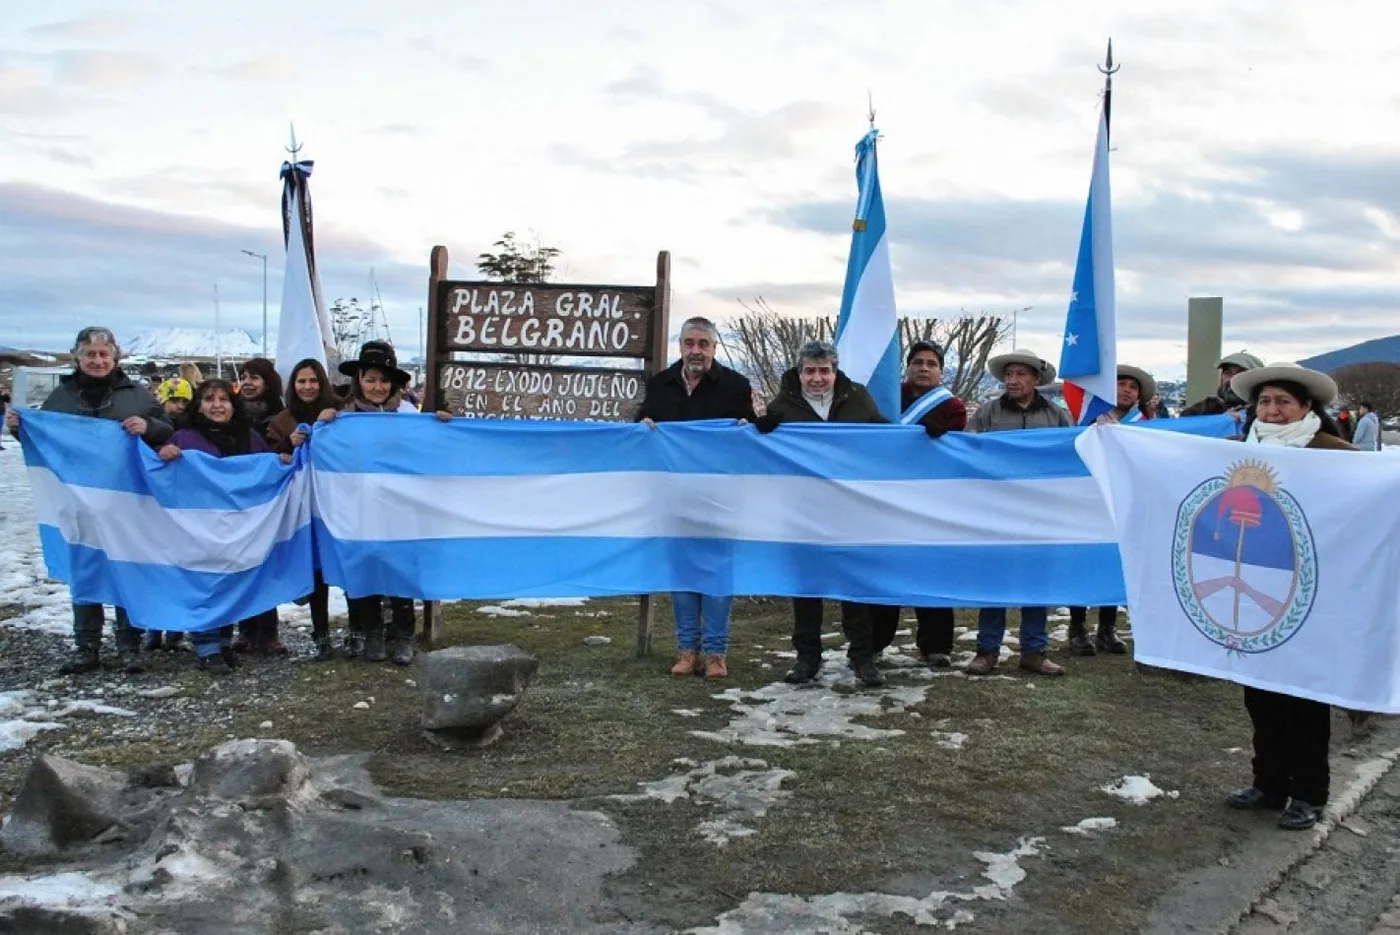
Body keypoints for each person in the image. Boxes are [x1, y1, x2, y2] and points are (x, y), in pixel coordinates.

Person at [1223, 362, 1356, 831]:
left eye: (1283, 402)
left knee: (1304, 697)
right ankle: (1269, 782)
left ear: (1305, 407)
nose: (1273, 411)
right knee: (1260, 696)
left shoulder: (1333, 452)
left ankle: (1309, 793)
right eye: (1264, 402)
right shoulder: (1240, 452)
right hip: (1260, 590)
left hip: (1312, 592)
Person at [5, 326, 172, 675]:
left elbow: (167, 428)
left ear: (115, 358)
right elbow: (43, 442)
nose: (97, 361)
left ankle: (129, 646)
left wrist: (148, 426)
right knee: (85, 570)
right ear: (78, 358)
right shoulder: (61, 398)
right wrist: (22, 428)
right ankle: (87, 647)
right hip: (77, 503)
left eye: (103, 355)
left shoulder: (137, 394)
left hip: (124, 502)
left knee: (125, 568)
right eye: (90, 355)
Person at [754, 340, 889, 688]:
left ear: (835, 371)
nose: (817, 378)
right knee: (807, 588)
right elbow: (765, 455)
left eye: (824, 371)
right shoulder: (783, 404)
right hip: (803, 512)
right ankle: (806, 658)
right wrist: (761, 430)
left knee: (854, 587)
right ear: (800, 373)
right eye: (810, 371)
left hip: (850, 509)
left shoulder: (858, 398)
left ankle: (862, 657)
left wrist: (920, 435)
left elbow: (884, 435)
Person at [638, 316, 757, 680]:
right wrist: (643, 427)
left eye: (703, 344)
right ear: (680, 346)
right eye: (690, 343)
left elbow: (753, 435)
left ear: (714, 348)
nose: (696, 350)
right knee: (683, 574)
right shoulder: (661, 384)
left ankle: (716, 653)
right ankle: (687, 651)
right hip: (674, 497)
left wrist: (746, 428)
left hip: (721, 497)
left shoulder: (736, 385)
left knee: (719, 575)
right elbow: (642, 421)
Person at [316, 341, 450, 664]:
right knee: (364, 567)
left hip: (400, 508)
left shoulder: (409, 416)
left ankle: (404, 635)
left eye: (384, 380)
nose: (377, 387)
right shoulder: (343, 418)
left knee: (400, 568)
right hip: (358, 508)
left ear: (393, 383)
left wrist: (444, 426)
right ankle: (373, 632)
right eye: (370, 379)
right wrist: (322, 425)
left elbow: (429, 453)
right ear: (359, 379)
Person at [158, 380, 289, 672]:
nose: (217, 405)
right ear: (199, 405)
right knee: (204, 582)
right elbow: (162, 476)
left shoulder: (250, 437)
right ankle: (206, 645)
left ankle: (224, 641)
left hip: (237, 527)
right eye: (208, 399)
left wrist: (280, 462)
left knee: (231, 581)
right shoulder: (184, 438)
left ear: (234, 405)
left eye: (223, 399)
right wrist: (164, 454)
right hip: (198, 526)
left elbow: (264, 471)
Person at [966, 348, 1070, 677]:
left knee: (1037, 581)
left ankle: (1034, 651)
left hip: (1041, 514)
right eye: (1008, 374)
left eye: (1020, 374)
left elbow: (1072, 456)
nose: (1013, 380)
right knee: (994, 580)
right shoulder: (986, 413)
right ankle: (987, 650)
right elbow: (966, 451)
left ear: (1036, 379)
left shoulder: (1057, 416)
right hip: (996, 513)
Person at [868, 341, 966, 669]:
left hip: (932, 502)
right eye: (917, 362)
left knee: (933, 572)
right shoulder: (887, 399)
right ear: (907, 367)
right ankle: (875, 642)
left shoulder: (952, 408)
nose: (923, 368)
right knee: (885, 573)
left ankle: (936, 645)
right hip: (888, 500)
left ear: (940, 371)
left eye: (931, 363)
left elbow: (955, 453)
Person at [1068, 363, 1159, 657]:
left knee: (1116, 565)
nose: (1126, 390)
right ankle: (1077, 627)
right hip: (1088, 501)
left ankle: (1107, 629)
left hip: (1125, 505)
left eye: (1133, 387)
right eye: (1121, 384)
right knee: (1085, 564)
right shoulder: (1087, 418)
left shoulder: (1147, 424)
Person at [268, 358, 342, 662]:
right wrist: (288, 444)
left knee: (344, 563)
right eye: (301, 381)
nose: (308, 387)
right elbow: (269, 456)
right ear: (293, 385)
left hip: (337, 504)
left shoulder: (341, 414)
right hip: (303, 508)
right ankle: (321, 634)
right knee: (317, 572)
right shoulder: (282, 420)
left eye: (313, 381)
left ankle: (359, 631)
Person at [1180, 351, 1263, 416]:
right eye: (1228, 373)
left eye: (1240, 374)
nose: (1232, 379)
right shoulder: (1202, 409)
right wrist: (1220, 421)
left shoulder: (1266, 411)